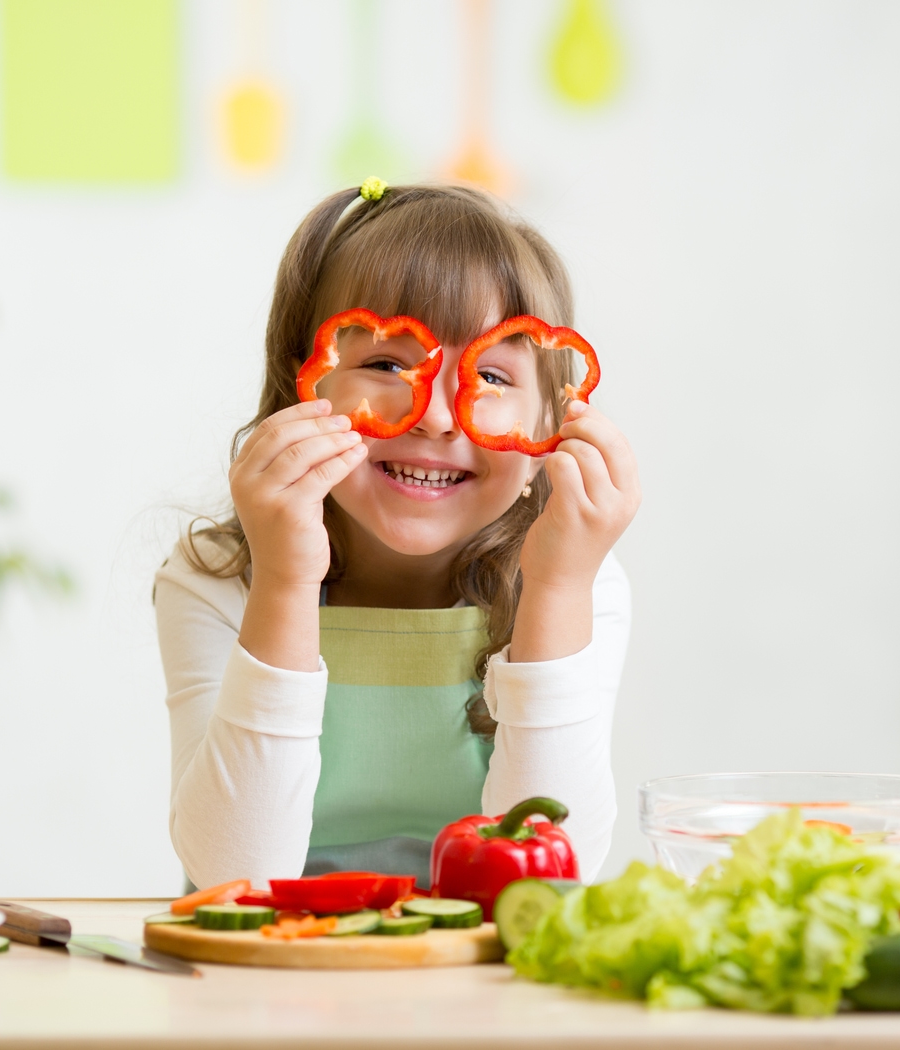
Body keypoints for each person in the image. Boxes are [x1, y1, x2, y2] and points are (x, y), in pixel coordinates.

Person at [155, 181, 639, 890]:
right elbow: (235, 876)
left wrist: (558, 589)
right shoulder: (218, 578)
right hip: (270, 985)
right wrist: (286, 581)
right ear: (306, 387)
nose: (439, 417)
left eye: (494, 374)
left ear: (549, 425)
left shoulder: (580, 583)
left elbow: (551, 875)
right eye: (387, 364)